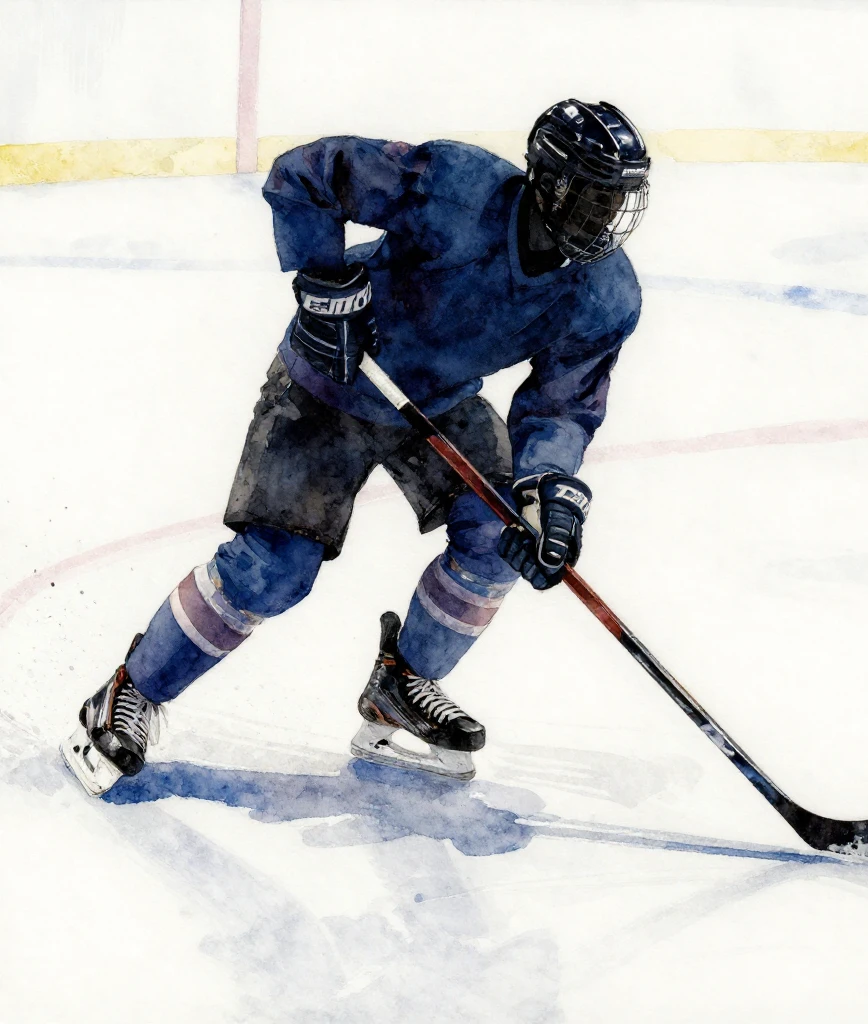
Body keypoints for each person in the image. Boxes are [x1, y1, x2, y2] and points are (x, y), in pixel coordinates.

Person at [60, 98, 650, 794]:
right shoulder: (456, 185)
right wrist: (323, 282)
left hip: (440, 401)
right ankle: (130, 690)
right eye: (594, 196)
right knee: (274, 569)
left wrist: (546, 494)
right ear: (547, 182)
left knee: (500, 537)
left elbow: (562, 406)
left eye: (619, 200)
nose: (607, 217)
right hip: (332, 381)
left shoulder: (606, 293)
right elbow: (306, 173)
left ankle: (401, 686)